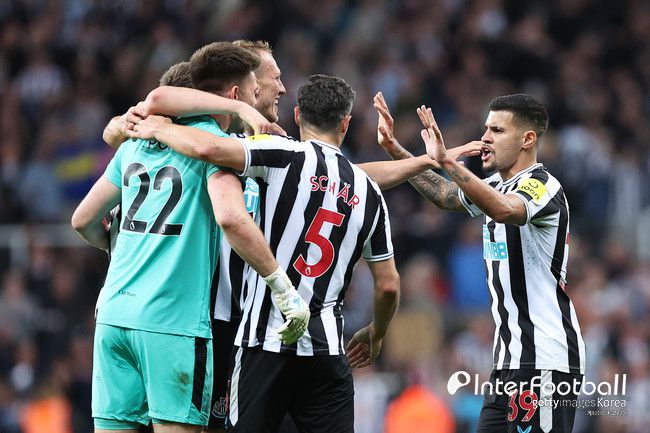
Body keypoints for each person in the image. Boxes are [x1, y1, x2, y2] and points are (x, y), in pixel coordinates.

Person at [125, 74, 401, 433]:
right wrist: (377, 332)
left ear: (298, 116)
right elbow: (389, 286)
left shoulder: (284, 154)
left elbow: (210, 149)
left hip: (262, 342)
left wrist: (161, 129)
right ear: (346, 124)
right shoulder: (369, 192)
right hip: (326, 352)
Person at [71, 42, 308, 433]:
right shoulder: (212, 148)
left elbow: (82, 220)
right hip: (173, 324)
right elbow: (230, 217)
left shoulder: (135, 141)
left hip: (113, 316)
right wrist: (282, 287)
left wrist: (118, 246)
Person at [375, 92, 585, 433]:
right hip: (507, 363)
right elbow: (445, 196)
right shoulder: (495, 184)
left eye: (497, 130)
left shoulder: (543, 185)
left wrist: (448, 162)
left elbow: (504, 209)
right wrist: (395, 149)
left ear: (527, 139)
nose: (485, 137)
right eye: (486, 128)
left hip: (544, 361)